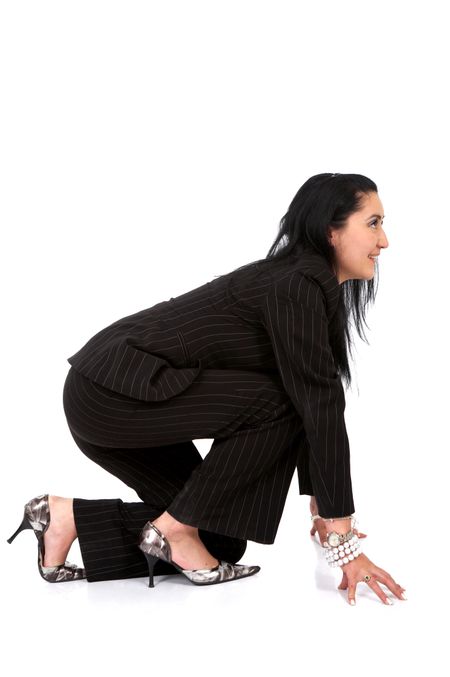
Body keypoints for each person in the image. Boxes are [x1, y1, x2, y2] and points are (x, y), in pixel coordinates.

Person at [7, 172, 407, 604]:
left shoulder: (307, 287)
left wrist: (317, 499)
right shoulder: (295, 283)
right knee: (275, 405)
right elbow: (317, 403)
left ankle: (65, 518)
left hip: (122, 394)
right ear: (331, 230)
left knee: (221, 538)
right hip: (111, 392)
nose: (384, 241)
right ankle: (174, 529)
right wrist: (341, 537)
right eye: (373, 223)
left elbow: (314, 393)